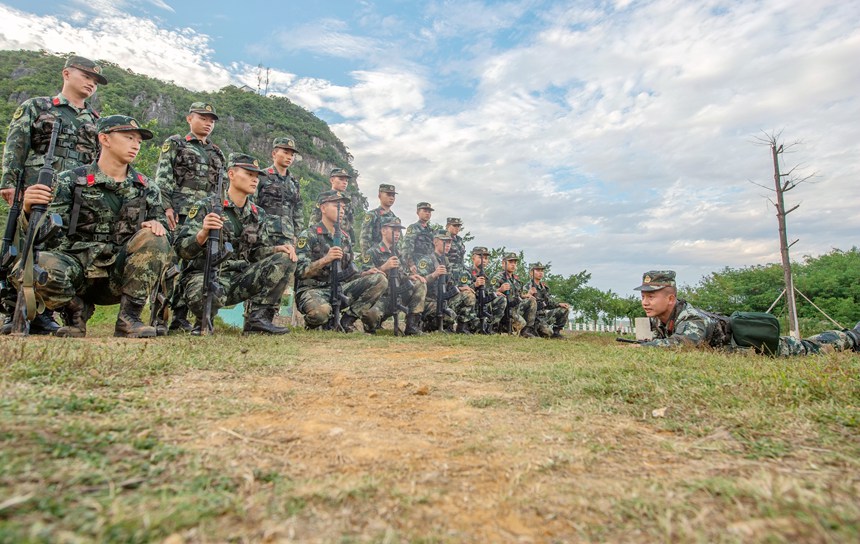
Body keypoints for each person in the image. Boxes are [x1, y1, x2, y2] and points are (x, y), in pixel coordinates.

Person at [12, 115, 171, 338]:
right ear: (104, 139)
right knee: (32, 267)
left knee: (156, 236)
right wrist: (28, 210)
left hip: (119, 275)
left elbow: (162, 229)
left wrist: (157, 225)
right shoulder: (70, 180)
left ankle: (129, 318)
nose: (136, 145)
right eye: (128, 137)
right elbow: (42, 235)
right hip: (75, 270)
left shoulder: (147, 188)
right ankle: (75, 310)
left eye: (139, 141)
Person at [1, 55, 107, 335]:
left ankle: (45, 312)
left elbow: (99, 161)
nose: (91, 84)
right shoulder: (37, 106)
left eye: (95, 81)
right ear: (66, 74)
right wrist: (9, 183)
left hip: (76, 197)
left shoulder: (96, 121)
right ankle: (16, 310)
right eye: (86, 76)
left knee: (60, 248)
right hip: (38, 189)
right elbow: (17, 145)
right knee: (27, 245)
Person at [173, 153, 295, 335]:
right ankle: (203, 320)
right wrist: (203, 233)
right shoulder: (206, 207)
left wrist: (278, 249)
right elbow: (182, 250)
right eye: (248, 174)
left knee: (286, 258)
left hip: (240, 278)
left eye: (256, 177)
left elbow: (256, 253)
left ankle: (258, 319)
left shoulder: (257, 213)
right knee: (207, 297)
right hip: (206, 275)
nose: (254, 180)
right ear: (231, 174)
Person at [632, 270, 860, 355]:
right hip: (739, 350)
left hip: (755, 346)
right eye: (643, 297)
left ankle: (853, 336)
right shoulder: (661, 320)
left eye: (651, 296)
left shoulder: (692, 319)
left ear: (670, 298)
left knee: (812, 348)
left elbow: (681, 345)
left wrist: (640, 349)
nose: (645, 302)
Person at [154, 101, 225, 332]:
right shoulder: (176, 144)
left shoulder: (217, 153)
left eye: (211, 120)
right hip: (178, 214)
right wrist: (165, 208)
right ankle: (159, 317)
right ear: (189, 119)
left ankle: (180, 318)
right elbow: (163, 178)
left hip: (204, 219)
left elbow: (219, 190)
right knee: (169, 266)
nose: (208, 123)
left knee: (195, 266)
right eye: (203, 118)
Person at [295, 190, 387, 332]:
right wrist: (325, 260)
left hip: (339, 288)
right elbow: (300, 271)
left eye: (343, 207)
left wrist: (364, 273)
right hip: (313, 289)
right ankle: (314, 323)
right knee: (320, 314)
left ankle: (347, 320)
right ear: (323, 208)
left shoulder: (345, 238)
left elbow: (349, 269)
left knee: (379, 279)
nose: (342, 210)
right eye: (337, 206)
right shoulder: (309, 234)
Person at [361, 218, 427, 335]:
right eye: (394, 230)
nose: (397, 234)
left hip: (398, 294)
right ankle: (373, 325)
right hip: (382, 298)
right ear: (383, 231)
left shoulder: (398, 253)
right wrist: (384, 267)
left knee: (420, 283)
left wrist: (410, 277)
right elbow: (364, 277)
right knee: (371, 316)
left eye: (398, 231)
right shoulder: (372, 252)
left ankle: (412, 326)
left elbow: (402, 274)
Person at [257, 136, 302, 300]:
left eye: (292, 154)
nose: (289, 157)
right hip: (266, 233)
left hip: (287, 235)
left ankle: (270, 312)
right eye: (285, 152)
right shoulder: (262, 177)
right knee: (263, 271)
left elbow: (297, 209)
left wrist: (296, 234)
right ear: (274, 153)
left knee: (284, 274)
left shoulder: (293, 183)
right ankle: (254, 314)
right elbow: (253, 205)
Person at [416, 232, 475, 333]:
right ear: (435, 242)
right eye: (444, 242)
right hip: (429, 301)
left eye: (449, 242)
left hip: (443, 300)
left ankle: (462, 328)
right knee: (449, 317)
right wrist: (434, 274)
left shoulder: (446, 261)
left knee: (469, 295)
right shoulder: (427, 260)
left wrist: (460, 288)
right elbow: (419, 281)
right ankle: (426, 325)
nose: (448, 245)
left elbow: (450, 284)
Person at [492, 252, 538, 338]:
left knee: (531, 300)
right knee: (521, 323)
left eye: (515, 262)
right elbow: (490, 293)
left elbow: (519, 295)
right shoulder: (498, 277)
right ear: (503, 263)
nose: (513, 265)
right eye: (510, 262)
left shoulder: (516, 280)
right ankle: (495, 327)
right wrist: (500, 289)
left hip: (515, 307)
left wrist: (525, 296)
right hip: (504, 309)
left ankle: (526, 331)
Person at [309, 168, 357, 242]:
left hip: (343, 238)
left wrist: (352, 240)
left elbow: (350, 223)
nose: (345, 183)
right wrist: (312, 235)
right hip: (325, 236)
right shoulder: (324, 196)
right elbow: (315, 218)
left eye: (346, 181)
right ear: (332, 180)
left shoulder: (347, 200)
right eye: (341, 179)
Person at [468, 246, 507, 333]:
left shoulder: (486, 277)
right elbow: (460, 291)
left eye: (486, 258)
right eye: (480, 257)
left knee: (501, 299)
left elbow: (489, 292)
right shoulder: (467, 272)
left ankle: (491, 327)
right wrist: (475, 285)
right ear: (473, 258)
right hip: (471, 308)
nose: (484, 260)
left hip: (484, 307)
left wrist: (497, 292)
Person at [526, 262, 569, 338]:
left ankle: (556, 332)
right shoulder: (527, 286)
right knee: (548, 333)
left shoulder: (544, 288)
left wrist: (559, 304)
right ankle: (534, 331)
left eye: (542, 271)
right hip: (534, 319)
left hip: (544, 316)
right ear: (531, 273)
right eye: (538, 270)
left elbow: (549, 303)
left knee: (564, 309)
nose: (540, 273)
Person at [360, 183, 398, 258]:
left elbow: (397, 243)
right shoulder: (373, 215)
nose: (391, 198)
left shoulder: (395, 218)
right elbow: (365, 239)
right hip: (375, 257)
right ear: (379, 196)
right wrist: (367, 259)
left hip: (390, 257)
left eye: (393, 195)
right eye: (388, 195)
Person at [400, 202, 436, 272]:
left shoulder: (431, 231)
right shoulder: (413, 228)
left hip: (430, 262)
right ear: (418, 212)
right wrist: (411, 264)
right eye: (425, 211)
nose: (427, 213)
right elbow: (406, 248)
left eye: (429, 212)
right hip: (417, 263)